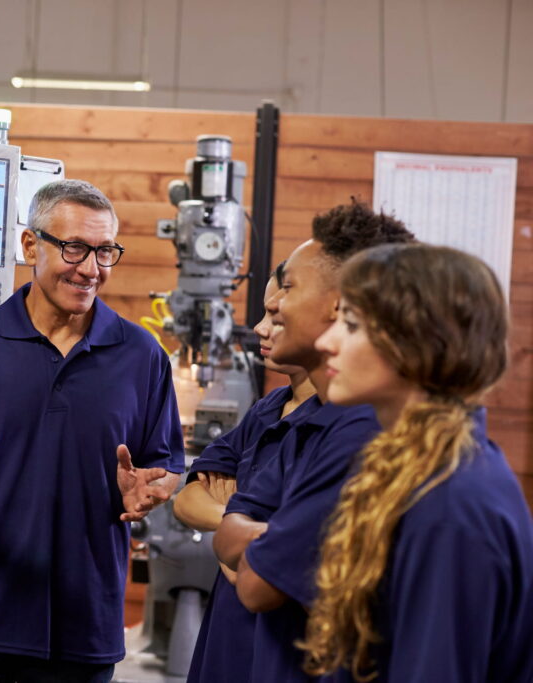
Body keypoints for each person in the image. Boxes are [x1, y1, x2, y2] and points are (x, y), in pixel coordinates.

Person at [0, 179, 185, 682]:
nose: (91, 268)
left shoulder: (141, 355)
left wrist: (154, 489)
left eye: (105, 251)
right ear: (31, 245)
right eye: (75, 247)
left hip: (84, 628)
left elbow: (161, 466)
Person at [299, 244, 533, 682]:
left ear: (417, 342)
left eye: (350, 325)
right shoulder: (420, 465)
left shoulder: (449, 506)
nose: (324, 342)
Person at [211, 200, 414, 681]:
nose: (274, 305)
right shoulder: (307, 417)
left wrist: (259, 537)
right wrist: (271, 535)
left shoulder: (364, 432)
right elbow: (227, 534)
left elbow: (257, 583)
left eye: (288, 287)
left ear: (341, 303)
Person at [174, 262, 318, 683]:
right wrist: (236, 530)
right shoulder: (267, 410)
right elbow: (187, 500)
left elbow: (292, 555)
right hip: (227, 633)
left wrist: (232, 527)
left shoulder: (337, 426)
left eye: (276, 317)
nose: (258, 328)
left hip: (281, 645)